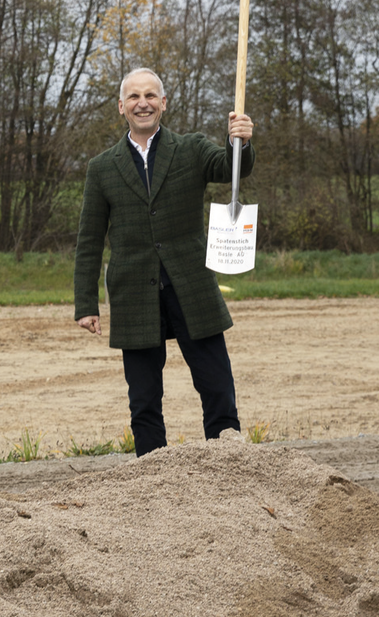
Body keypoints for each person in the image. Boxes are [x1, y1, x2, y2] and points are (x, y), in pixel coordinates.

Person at [73, 68, 255, 453]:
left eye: (151, 96)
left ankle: (229, 460)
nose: (144, 103)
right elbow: (89, 241)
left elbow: (228, 167)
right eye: (135, 97)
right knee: (143, 400)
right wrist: (86, 304)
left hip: (191, 287)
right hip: (133, 295)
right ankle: (152, 476)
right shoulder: (101, 168)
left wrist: (239, 141)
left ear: (164, 103)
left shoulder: (190, 148)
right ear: (122, 106)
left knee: (217, 386)